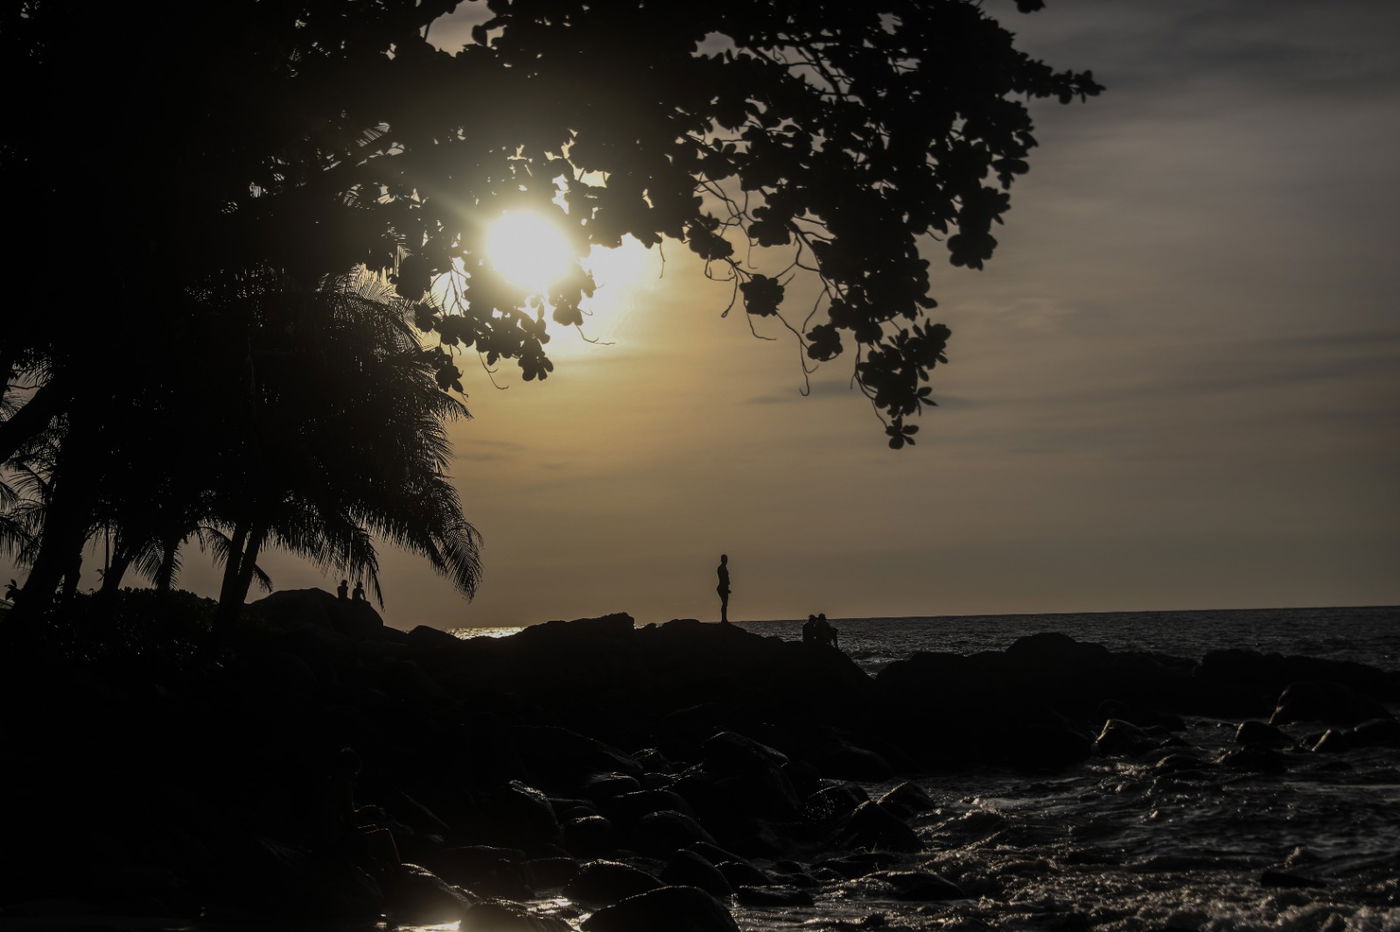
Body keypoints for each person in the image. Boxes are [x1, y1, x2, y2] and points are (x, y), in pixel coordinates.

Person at [716, 554, 731, 624]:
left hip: (724, 587)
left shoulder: (724, 567)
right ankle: (723, 619)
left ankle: (724, 619)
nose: (726, 561)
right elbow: (722, 578)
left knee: (725, 603)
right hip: (722, 587)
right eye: (725, 559)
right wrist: (725, 588)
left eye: (726, 559)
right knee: (724, 603)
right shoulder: (721, 568)